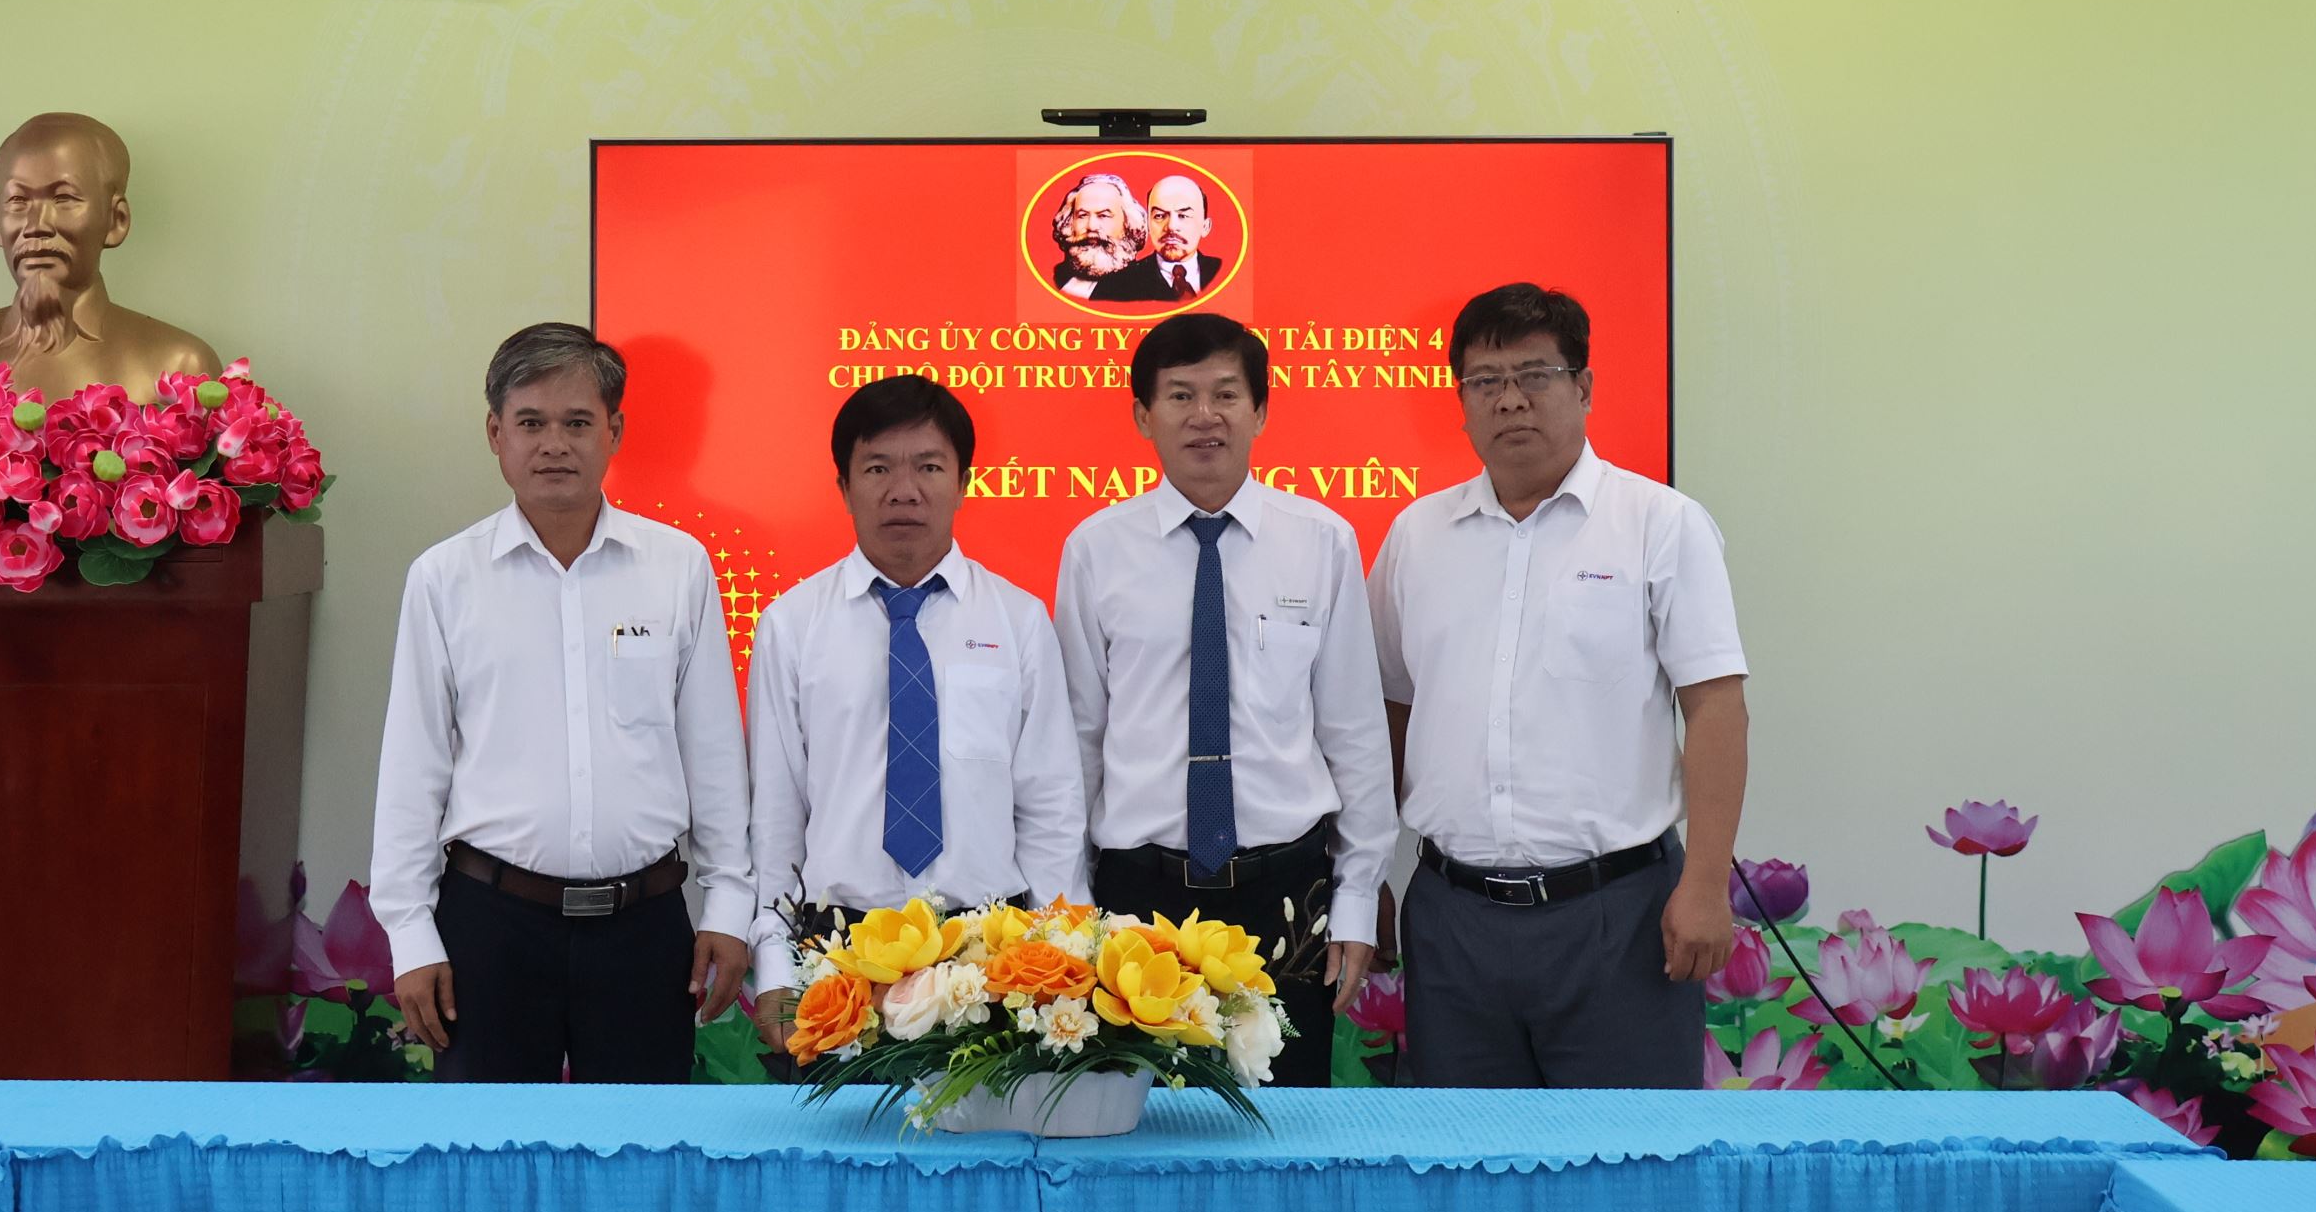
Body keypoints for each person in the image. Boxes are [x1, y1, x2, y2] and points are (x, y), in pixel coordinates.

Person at [1369, 282, 1748, 1089]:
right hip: (1453, 918)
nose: (1510, 400)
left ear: (1584, 387)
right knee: (1466, 1155)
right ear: (1461, 401)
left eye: (1534, 376)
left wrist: (1707, 884)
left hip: (1617, 916)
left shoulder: (1660, 524)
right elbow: (1390, 713)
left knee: (1629, 1156)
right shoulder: (1415, 536)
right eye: (1485, 381)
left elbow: (1716, 708)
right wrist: (1363, 875)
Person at [370, 322, 755, 1082]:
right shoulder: (445, 578)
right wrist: (410, 933)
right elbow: (414, 765)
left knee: (642, 1144)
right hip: (490, 926)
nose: (555, 445)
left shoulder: (677, 567)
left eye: (578, 423)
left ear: (615, 432)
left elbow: (712, 752)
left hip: (645, 927)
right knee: (488, 1145)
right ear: (496, 434)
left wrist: (729, 906)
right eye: (531, 423)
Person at [1054, 313, 1398, 1085]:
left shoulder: (1322, 540)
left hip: (1286, 891)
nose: (1204, 415)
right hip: (1136, 898)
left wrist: (1355, 898)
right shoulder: (1095, 549)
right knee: (1135, 1122)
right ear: (1143, 416)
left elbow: (1353, 734)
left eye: (1225, 394)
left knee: (1280, 1126)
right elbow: (1076, 741)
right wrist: (1069, 905)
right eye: (1180, 395)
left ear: (1261, 411)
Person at [745, 375, 1086, 1054]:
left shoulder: (1019, 620)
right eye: (878, 469)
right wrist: (775, 965)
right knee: (847, 1127)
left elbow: (1050, 804)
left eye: (928, 467)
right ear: (843, 486)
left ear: (963, 483)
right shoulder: (791, 625)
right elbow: (776, 815)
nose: (904, 490)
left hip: (989, 953)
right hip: (838, 952)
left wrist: (1057, 954)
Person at [0, 112, 222, 399]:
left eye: (64, 198)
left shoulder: (180, 369)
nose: (36, 225)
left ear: (116, 220)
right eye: (18, 201)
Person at [1091, 173, 1225, 301]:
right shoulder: (1114, 287)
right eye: (1159, 216)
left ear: (1205, 227)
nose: (1171, 226)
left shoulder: (1223, 273)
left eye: (1183, 216)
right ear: (1148, 224)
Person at [1050, 172, 1151, 299]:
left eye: (1103, 216)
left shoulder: (1143, 287)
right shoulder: (1057, 277)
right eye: (1082, 215)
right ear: (1069, 222)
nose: (1091, 226)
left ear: (1127, 224)